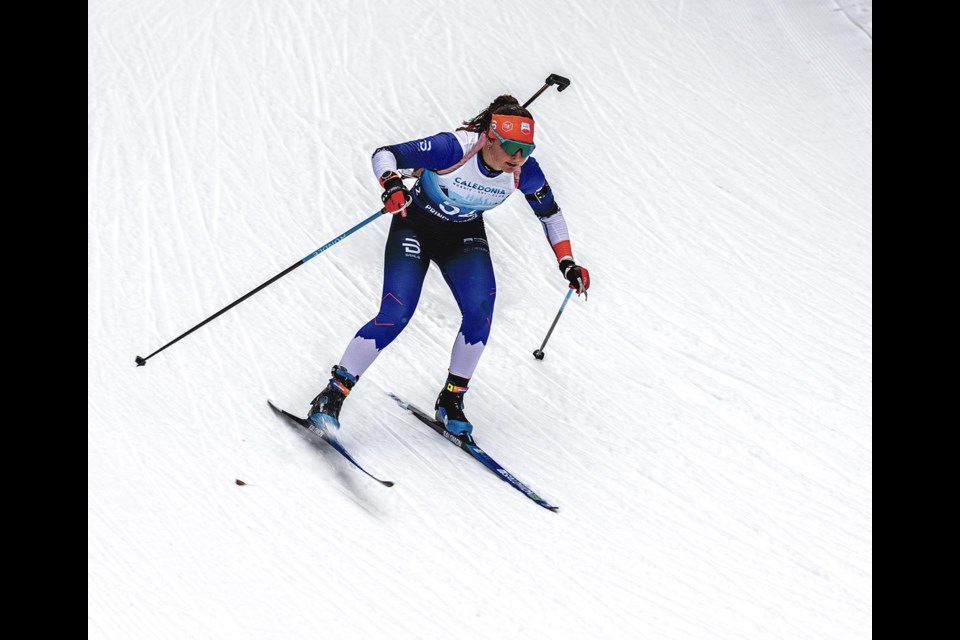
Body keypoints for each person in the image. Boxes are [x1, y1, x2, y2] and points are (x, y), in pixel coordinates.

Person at [308, 95, 590, 443]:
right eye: (511, 147)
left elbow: (550, 213)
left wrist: (567, 262)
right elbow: (386, 154)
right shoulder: (452, 149)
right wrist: (392, 184)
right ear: (489, 137)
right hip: (415, 226)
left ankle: (451, 401)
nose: (518, 158)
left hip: (463, 237)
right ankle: (333, 394)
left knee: (480, 312)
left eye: (526, 149)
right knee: (395, 313)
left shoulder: (522, 172)